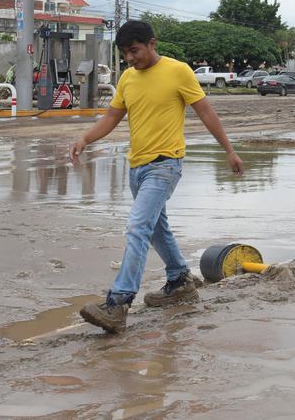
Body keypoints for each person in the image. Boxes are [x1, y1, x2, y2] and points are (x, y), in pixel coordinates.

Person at [70, 20, 243, 333]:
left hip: (165, 165)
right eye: (125, 53)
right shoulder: (127, 78)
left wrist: (229, 150)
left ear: (152, 43)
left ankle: (118, 303)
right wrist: (85, 138)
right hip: (137, 167)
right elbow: (112, 117)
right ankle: (179, 281)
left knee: (138, 227)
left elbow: (206, 112)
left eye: (134, 50)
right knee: (156, 229)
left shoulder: (178, 71)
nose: (129, 58)